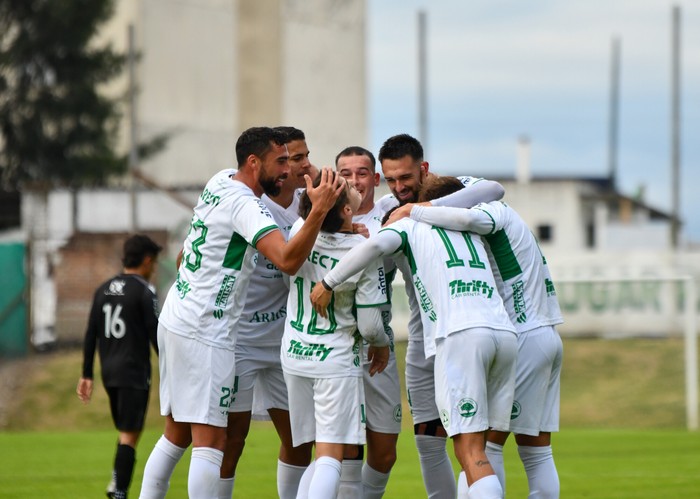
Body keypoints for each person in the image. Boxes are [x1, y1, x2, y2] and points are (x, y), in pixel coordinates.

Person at [138, 126, 344, 499]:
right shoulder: (245, 205)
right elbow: (286, 259)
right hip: (205, 330)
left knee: (176, 433)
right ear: (254, 162)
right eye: (279, 161)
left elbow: (190, 249)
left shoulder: (220, 181)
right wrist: (321, 210)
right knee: (212, 440)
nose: (286, 170)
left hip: (178, 317)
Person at [310, 175, 518, 499]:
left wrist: (328, 282)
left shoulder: (410, 224)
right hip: (504, 335)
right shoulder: (470, 228)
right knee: (484, 450)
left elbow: (375, 246)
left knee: (470, 452)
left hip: (461, 335)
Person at [397, 177, 564, 499]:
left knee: (482, 447)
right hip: (545, 334)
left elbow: (472, 216)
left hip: (524, 333)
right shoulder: (507, 217)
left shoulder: (491, 211)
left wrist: (415, 212)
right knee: (537, 451)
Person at [376, 133, 506, 498]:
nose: (399, 187)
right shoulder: (388, 208)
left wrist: (416, 210)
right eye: (392, 179)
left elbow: (495, 188)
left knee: (474, 445)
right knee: (430, 443)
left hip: (460, 333)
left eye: (406, 177)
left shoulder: (451, 196)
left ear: (424, 169)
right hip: (422, 342)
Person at [281, 172, 391, 499]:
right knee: (331, 455)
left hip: (295, 355)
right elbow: (371, 324)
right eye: (348, 190)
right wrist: (381, 344)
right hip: (334, 359)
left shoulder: (301, 230)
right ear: (345, 210)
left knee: (315, 450)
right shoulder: (365, 250)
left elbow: (316, 220)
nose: (355, 187)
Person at [219, 126, 315, 499]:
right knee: (231, 441)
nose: (303, 164)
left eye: (305, 155)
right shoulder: (251, 203)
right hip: (239, 339)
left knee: (299, 440)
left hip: (282, 340)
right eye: (293, 158)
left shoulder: (310, 201)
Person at [334, 146, 402, 498]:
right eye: (346, 173)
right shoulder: (323, 217)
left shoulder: (392, 213)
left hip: (379, 344)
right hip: (338, 345)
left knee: (386, 450)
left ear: (375, 179)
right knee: (343, 447)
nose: (354, 180)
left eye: (362, 173)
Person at [77, 234, 162, 499]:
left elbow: (91, 332)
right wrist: (171, 366)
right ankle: (120, 491)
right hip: (133, 371)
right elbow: (154, 333)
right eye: (155, 263)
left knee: (127, 431)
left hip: (109, 372)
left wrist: (87, 374)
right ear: (147, 261)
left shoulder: (102, 289)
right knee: (129, 434)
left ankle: (116, 483)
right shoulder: (144, 291)